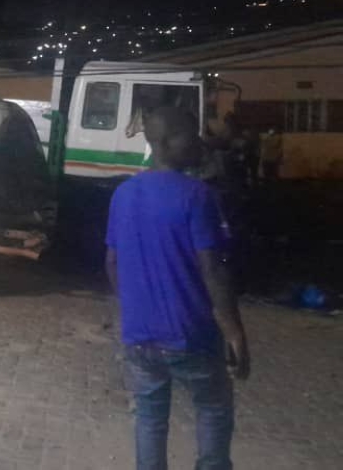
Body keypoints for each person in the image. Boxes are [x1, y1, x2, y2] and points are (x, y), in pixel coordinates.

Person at [105, 107, 250, 470]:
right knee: (213, 409)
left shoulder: (123, 194)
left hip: (140, 337)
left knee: (150, 420)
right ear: (167, 141)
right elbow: (212, 270)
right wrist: (234, 332)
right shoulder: (198, 196)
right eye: (191, 134)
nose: (198, 142)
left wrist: (136, 306)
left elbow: (112, 263)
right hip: (191, 336)